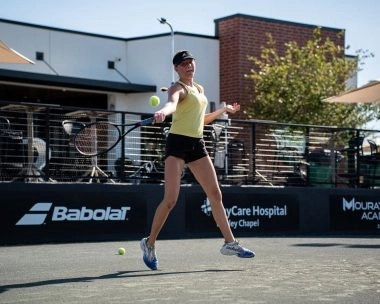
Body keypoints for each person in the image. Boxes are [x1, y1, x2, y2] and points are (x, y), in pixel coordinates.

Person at [140, 50, 255, 270]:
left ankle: (230, 243)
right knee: (171, 200)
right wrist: (163, 112)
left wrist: (223, 110)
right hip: (177, 143)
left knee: (215, 193)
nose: (189, 66)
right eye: (184, 64)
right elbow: (172, 104)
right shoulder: (177, 88)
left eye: (191, 62)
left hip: (197, 144)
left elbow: (201, 120)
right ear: (177, 69)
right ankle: (149, 243)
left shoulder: (199, 89)